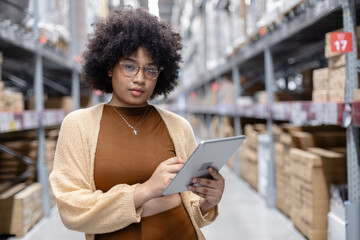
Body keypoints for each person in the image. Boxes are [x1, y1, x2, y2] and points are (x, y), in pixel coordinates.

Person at [49, 7, 225, 240]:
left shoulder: (178, 126)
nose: (140, 79)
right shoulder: (79, 125)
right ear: (110, 67)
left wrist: (207, 200)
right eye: (129, 66)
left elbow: (190, 203)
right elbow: (72, 209)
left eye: (150, 70)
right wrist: (144, 191)